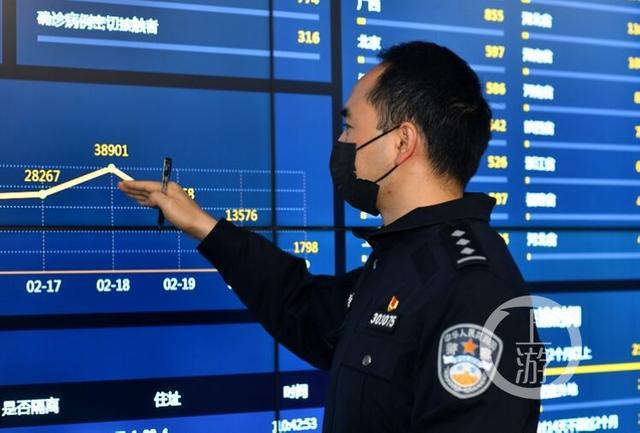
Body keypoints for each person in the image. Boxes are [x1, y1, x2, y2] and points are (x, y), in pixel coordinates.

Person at [119, 41, 542, 432]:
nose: (342, 142)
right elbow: (304, 309)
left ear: (402, 142)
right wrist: (203, 226)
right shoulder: (406, 261)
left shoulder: (473, 289)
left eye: (350, 127)